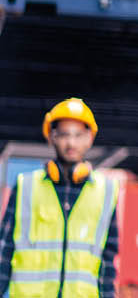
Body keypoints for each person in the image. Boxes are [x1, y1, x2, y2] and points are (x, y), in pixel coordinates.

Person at [0, 98, 121, 298]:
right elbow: (4, 251)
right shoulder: (25, 186)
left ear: (90, 138)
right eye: (64, 134)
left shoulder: (106, 191)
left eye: (78, 135)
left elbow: (108, 261)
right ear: (51, 137)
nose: (71, 143)